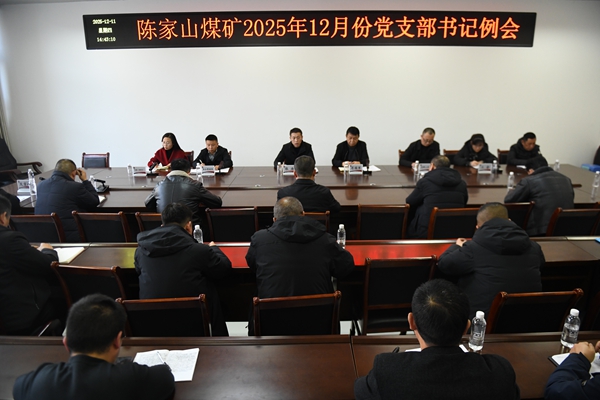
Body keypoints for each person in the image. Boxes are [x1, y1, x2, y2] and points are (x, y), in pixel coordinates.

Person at [354, 279, 520, 400]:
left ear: (411, 322)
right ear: (467, 327)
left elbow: (359, 390)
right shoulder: (500, 372)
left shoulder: (387, 370)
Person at [13, 294, 175, 400]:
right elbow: (165, 377)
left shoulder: (34, 382)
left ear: (66, 343)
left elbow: (17, 388)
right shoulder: (131, 377)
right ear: (117, 341)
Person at [135, 203, 232, 336]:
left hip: (153, 323)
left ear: (162, 224)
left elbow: (138, 271)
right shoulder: (198, 251)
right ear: (188, 226)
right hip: (194, 323)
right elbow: (224, 268)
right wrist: (214, 248)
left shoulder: (141, 251)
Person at [437, 202, 545, 319]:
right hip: (529, 319)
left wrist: (457, 246)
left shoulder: (473, 249)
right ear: (509, 221)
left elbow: (444, 263)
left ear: (478, 227)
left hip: (483, 323)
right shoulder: (534, 248)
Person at [246, 196, 354, 299]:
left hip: (272, 311)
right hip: (319, 310)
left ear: (274, 220)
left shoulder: (259, 239)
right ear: (303, 214)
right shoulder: (325, 239)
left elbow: (252, 264)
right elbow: (346, 265)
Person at [0, 196, 62, 335]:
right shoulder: (9, 240)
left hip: (5, 318)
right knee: (63, 297)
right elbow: (47, 264)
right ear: (3, 217)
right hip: (20, 318)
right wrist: (47, 250)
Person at [504, 156, 574, 236]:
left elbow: (509, 200)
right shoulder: (566, 179)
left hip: (541, 231)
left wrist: (512, 191)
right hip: (568, 228)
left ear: (530, 171)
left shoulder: (529, 181)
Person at [144, 158, 222, 228]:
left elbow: (148, 204)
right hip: (189, 230)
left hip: (163, 231)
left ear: (171, 169)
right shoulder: (195, 185)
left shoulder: (159, 185)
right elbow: (217, 202)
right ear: (189, 171)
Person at [35, 159, 100, 242]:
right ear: (73, 173)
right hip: (68, 238)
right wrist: (85, 180)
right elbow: (94, 201)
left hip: (43, 237)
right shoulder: (75, 187)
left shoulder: (41, 185)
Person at [406, 155, 468, 238]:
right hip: (455, 229)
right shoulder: (462, 183)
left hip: (428, 230)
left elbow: (410, 201)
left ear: (432, 166)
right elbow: (464, 202)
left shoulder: (425, 182)